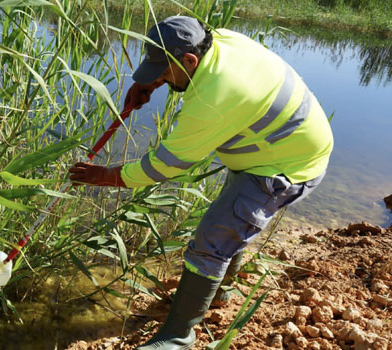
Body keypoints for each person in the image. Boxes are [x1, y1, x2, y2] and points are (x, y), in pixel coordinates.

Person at [68, 16, 333, 350]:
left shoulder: (214, 98)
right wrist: (154, 82)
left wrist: (103, 176)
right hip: (278, 144)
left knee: (212, 237)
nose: (160, 76)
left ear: (190, 60)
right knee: (231, 219)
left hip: (287, 166)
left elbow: (164, 166)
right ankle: (222, 289)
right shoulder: (220, 41)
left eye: (164, 69)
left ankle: (178, 336)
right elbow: (182, 74)